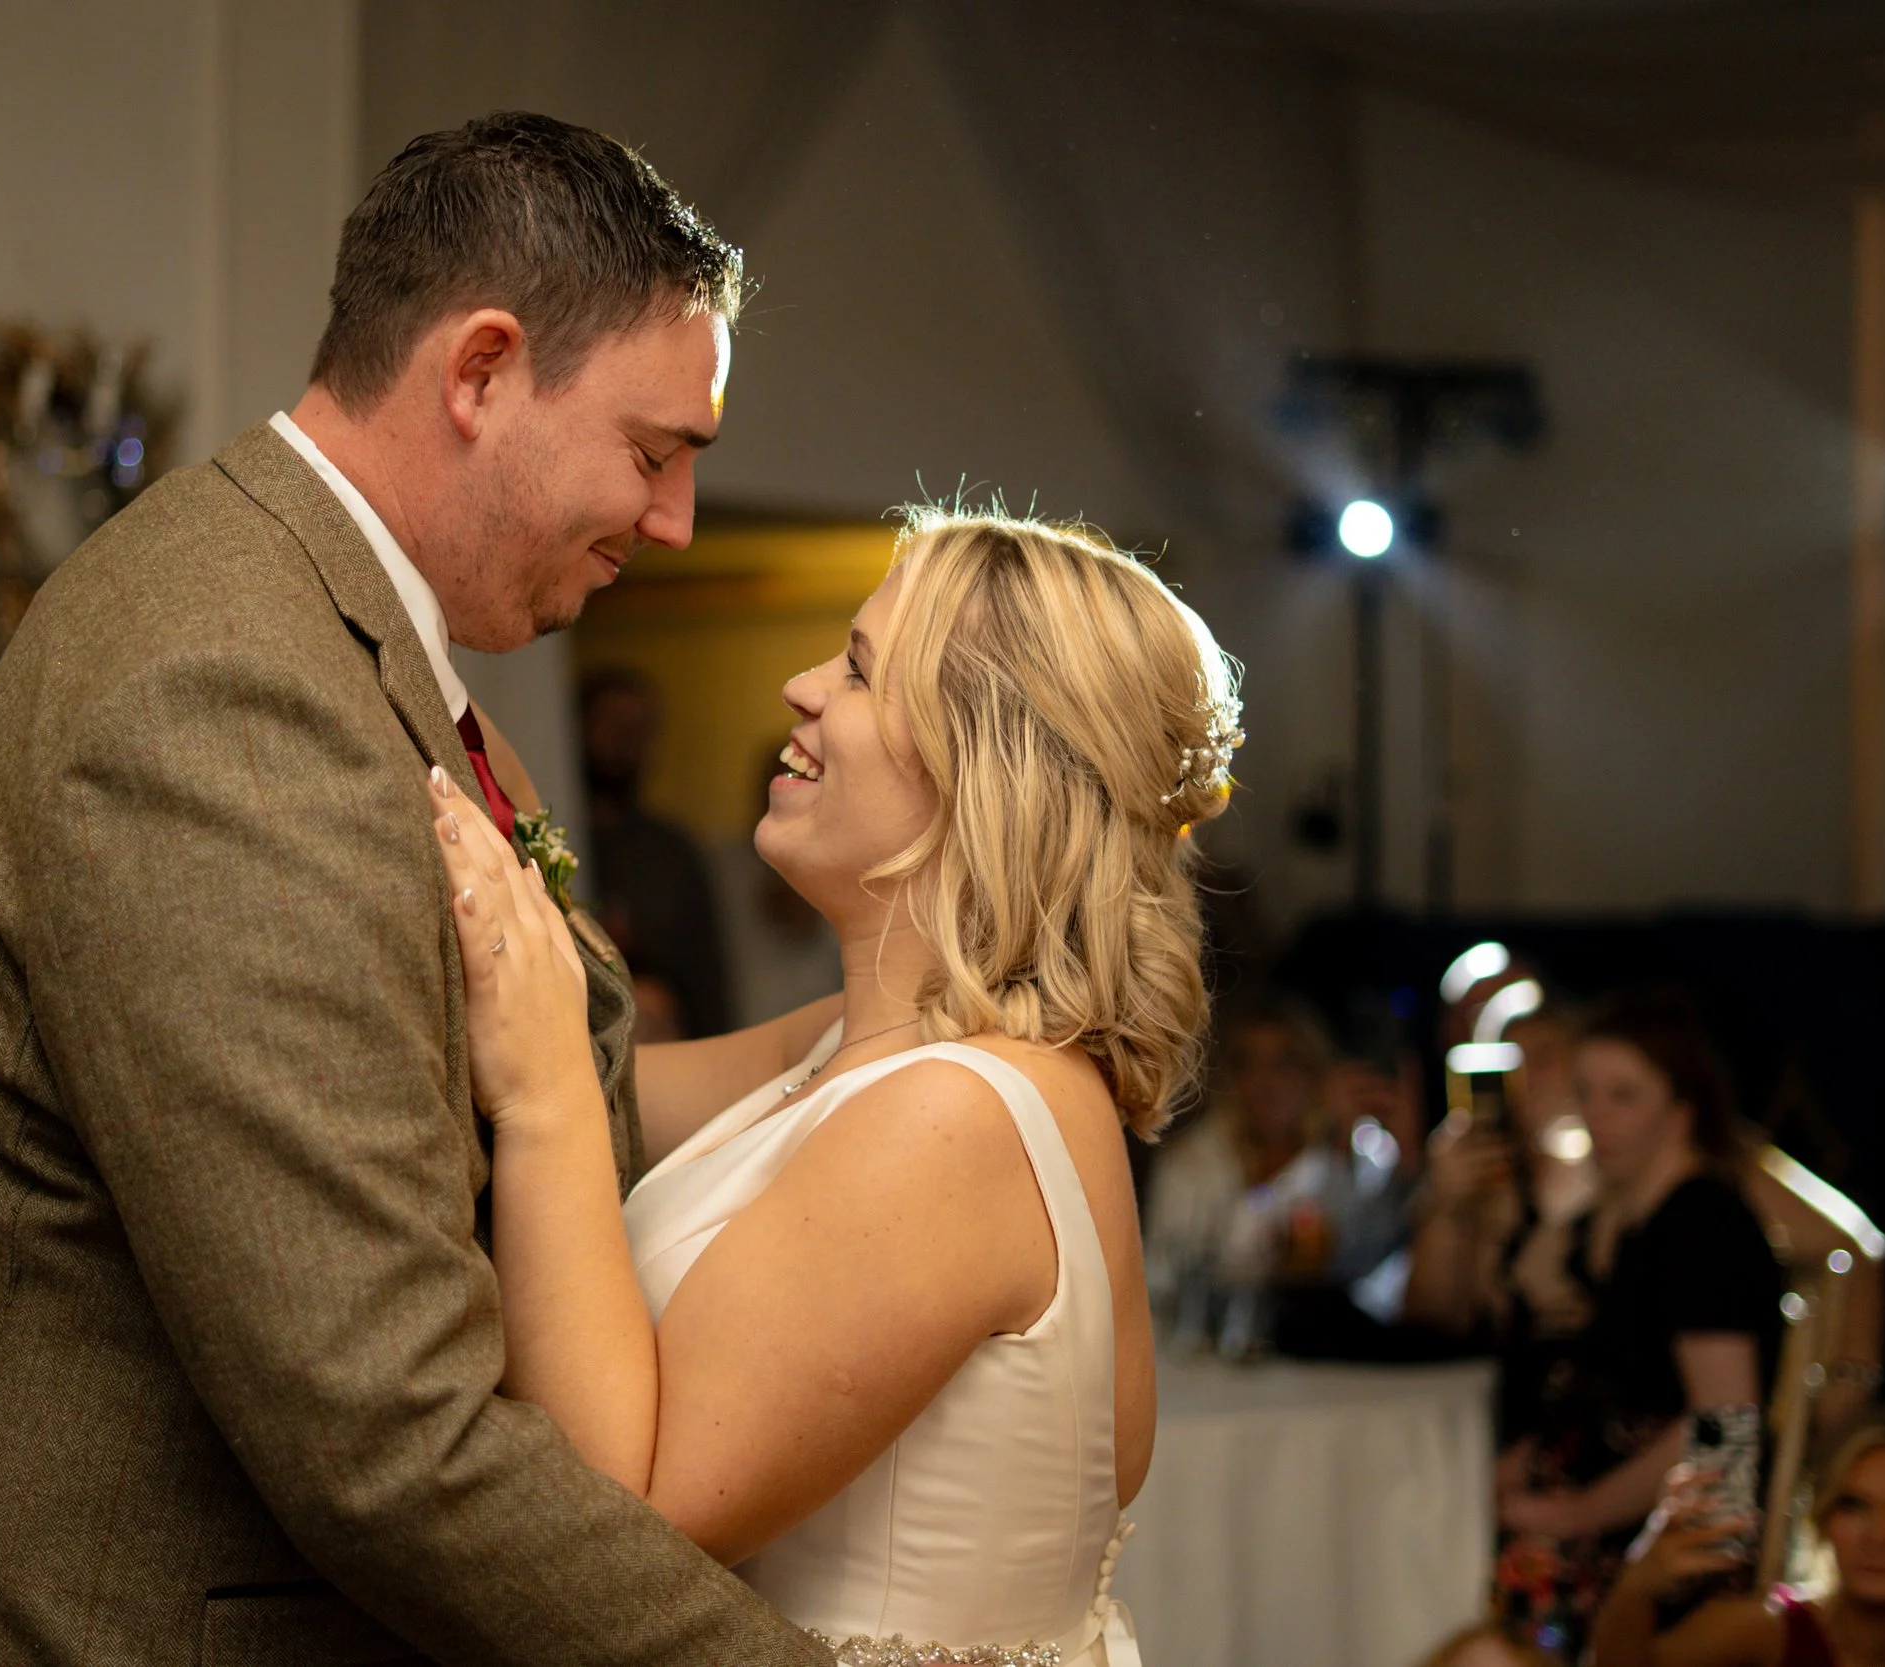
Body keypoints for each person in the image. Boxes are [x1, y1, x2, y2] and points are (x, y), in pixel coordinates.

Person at [0, 113, 832, 1666]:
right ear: (480, 371)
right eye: (653, 452)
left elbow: (542, 1096)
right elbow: (390, 1429)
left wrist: (887, 1033)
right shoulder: (223, 686)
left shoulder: (353, 644)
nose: (675, 520)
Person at [426, 509, 1243, 1662]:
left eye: (857, 670)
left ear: (979, 768)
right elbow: (612, 1084)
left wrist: (543, 1096)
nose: (800, 687)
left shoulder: (956, 1117)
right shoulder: (877, 1050)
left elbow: (625, 1521)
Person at [1490, 992, 1786, 1662]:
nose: (1596, 1115)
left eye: (1623, 1096)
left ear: (1682, 1108)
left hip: (1666, 1547)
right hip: (1603, 1514)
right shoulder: (1632, 1223)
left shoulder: (1702, 1224)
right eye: (1586, 1092)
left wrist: (1576, 1512)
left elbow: (1724, 1429)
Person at [1593, 1406, 1885, 1667]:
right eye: (1853, 1505)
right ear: (1823, 1519)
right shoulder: (1769, 1628)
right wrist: (1636, 1587)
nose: (1876, 1537)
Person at [1142, 993, 1414, 1340]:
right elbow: (1175, 1274)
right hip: (1198, 1349)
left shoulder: (1345, 1154)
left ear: (1315, 1072)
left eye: (1285, 1063)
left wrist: (1385, 1155)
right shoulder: (1192, 1162)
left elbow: (1367, 1264)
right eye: (1248, 1064)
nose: (1266, 1082)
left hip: (1316, 1350)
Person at [1409, 1001, 1599, 1440]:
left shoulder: (1632, 1182)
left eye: (1545, 1056)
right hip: (1499, 1417)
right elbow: (1429, 1320)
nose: (1527, 1075)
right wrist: (1445, 1206)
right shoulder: (1486, 1183)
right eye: (1510, 1060)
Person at [580, 665, 732, 1038]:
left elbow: (707, 979)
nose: (623, 741)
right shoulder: (545, 832)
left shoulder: (672, 853)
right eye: (612, 724)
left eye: (637, 729)